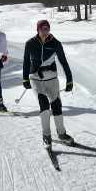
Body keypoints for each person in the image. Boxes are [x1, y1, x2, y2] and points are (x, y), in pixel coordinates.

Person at [22, 19, 74, 147]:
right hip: (36, 78)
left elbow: (64, 62)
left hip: (52, 79)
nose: (45, 32)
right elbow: (26, 62)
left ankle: (61, 133)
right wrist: (25, 78)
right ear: (38, 30)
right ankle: (46, 134)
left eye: (47, 29)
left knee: (56, 104)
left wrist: (69, 79)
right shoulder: (30, 43)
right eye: (42, 29)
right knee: (44, 103)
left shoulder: (56, 43)